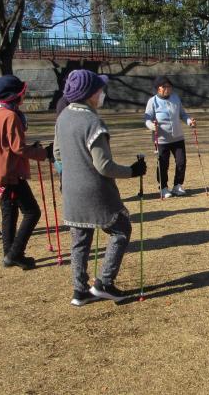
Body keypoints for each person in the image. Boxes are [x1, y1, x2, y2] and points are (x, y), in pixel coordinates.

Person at [54, 70, 147, 306]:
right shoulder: (92, 122)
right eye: (99, 89)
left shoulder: (63, 116)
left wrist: (72, 170)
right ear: (90, 93)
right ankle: (104, 283)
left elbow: (57, 153)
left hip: (71, 190)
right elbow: (104, 166)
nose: (102, 93)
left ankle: (79, 290)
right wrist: (133, 171)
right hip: (94, 191)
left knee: (79, 240)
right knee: (121, 229)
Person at [0, 75, 51, 270]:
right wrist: (43, 153)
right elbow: (18, 148)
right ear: (15, 96)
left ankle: (11, 254)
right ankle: (14, 253)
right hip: (10, 174)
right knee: (32, 212)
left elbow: (8, 146)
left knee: (9, 214)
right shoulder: (10, 116)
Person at [144, 76, 196, 199]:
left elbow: (182, 114)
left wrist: (189, 121)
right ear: (158, 89)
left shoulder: (175, 98)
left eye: (169, 86)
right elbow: (147, 119)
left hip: (178, 137)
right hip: (162, 139)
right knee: (163, 164)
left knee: (181, 162)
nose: (167, 89)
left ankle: (177, 185)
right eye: (164, 86)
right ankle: (163, 187)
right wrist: (152, 126)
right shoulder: (153, 101)